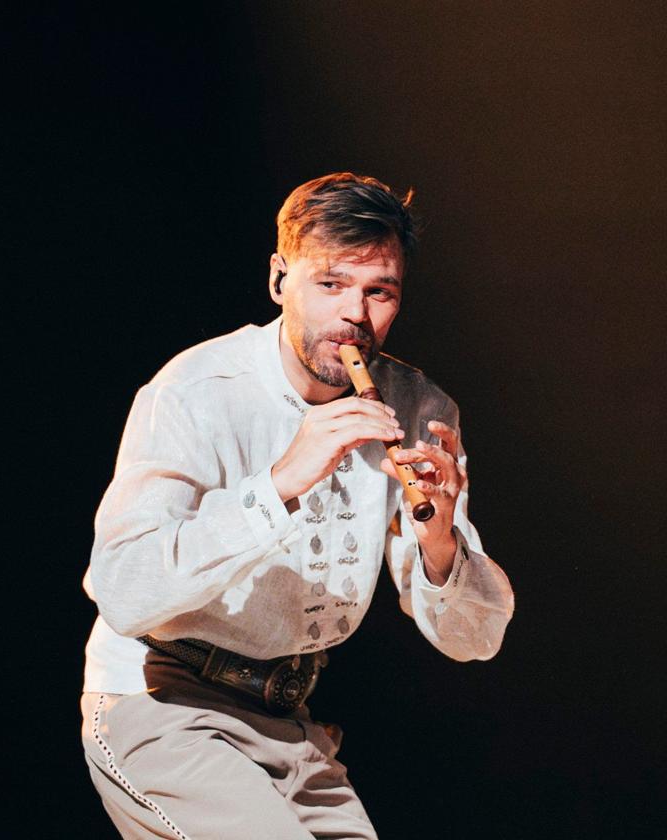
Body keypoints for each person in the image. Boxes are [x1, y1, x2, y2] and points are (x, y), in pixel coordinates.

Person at [80, 173, 514, 839]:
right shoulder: (196, 391)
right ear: (281, 279)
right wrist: (281, 482)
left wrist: (441, 539)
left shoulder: (421, 409)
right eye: (330, 284)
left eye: (380, 292)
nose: (356, 316)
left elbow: (474, 641)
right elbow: (124, 591)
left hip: (290, 723)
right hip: (162, 704)